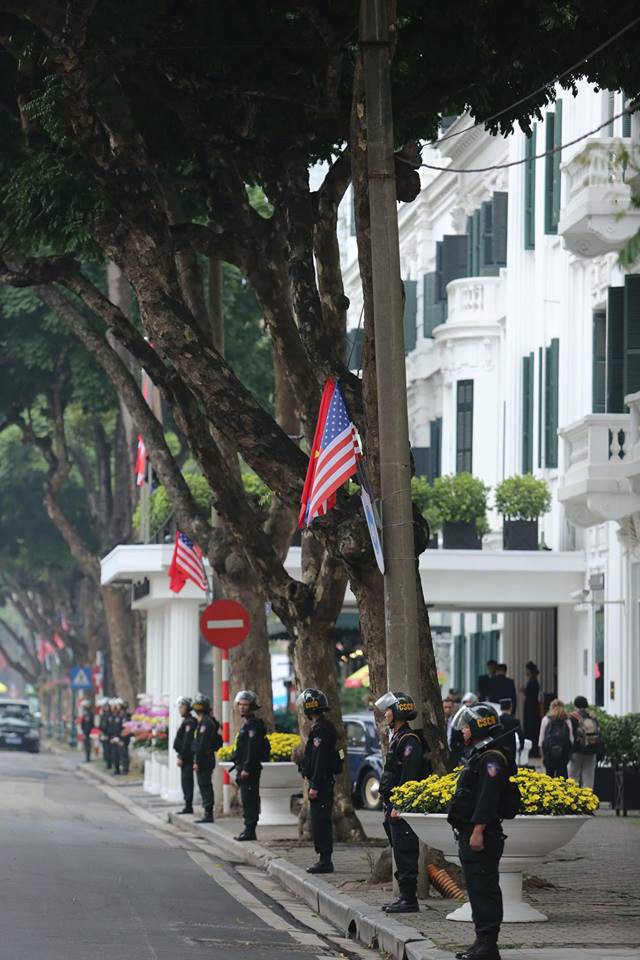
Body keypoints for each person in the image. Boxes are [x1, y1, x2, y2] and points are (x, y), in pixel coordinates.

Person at [448, 703, 513, 960]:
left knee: (485, 889)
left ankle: (488, 945)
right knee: (476, 888)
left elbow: (487, 798)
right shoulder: (480, 754)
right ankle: (481, 942)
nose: (462, 730)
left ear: (477, 727)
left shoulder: (491, 759)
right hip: (471, 832)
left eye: (466, 726)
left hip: (483, 835)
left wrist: (478, 831)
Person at [376, 690, 430, 914]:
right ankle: (403, 896)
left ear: (397, 712)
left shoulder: (409, 741)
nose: (385, 715)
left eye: (388, 711)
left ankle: (409, 899)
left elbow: (408, 776)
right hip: (393, 806)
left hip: (401, 808)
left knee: (406, 852)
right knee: (399, 851)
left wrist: (400, 805)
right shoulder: (398, 737)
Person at [297, 687, 340, 875]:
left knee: (321, 822)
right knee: (319, 821)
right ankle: (323, 858)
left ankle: (325, 860)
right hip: (321, 782)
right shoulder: (322, 727)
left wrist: (314, 785)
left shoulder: (321, 730)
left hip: (320, 784)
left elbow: (320, 760)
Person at [232, 690, 267, 841]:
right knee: (246, 799)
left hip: (250, 770)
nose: (242, 707)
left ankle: (250, 830)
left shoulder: (253, 725)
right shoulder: (247, 724)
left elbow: (251, 749)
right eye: (240, 704)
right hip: (244, 768)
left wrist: (246, 768)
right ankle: (248, 829)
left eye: (245, 705)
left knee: (250, 799)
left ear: (252, 706)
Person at [192, 693, 221, 823]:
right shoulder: (207, 721)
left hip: (205, 759)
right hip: (206, 758)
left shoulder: (206, 723)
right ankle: (207, 812)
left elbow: (202, 745)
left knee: (205, 785)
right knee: (204, 784)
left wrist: (197, 761)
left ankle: (208, 813)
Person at [568, 696, 601, 790]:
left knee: (573, 777)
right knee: (589, 778)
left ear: (575, 705)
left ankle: (573, 800)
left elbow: (569, 735)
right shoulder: (592, 717)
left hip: (576, 751)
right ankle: (587, 801)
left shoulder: (572, 717)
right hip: (591, 750)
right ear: (587, 705)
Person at [173, 696, 196, 815]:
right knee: (185, 781)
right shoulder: (186, 722)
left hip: (187, 758)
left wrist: (181, 756)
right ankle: (187, 805)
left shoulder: (190, 723)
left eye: (182, 707)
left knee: (187, 781)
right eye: (179, 707)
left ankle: (188, 805)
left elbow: (187, 742)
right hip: (184, 756)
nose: (180, 709)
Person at [539, 699, 573, 778]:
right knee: (562, 778)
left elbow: (541, 740)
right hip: (563, 753)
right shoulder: (567, 720)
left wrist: (542, 755)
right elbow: (571, 739)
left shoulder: (546, 719)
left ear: (551, 707)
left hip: (549, 753)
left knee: (549, 777)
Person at [521, 661, 541, 758]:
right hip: (532, 707)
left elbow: (531, 694)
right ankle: (533, 750)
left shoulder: (533, 681)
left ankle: (532, 751)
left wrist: (524, 690)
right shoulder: (533, 680)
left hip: (531, 708)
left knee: (531, 728)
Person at [498, 699, 524, 763]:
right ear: (510, 707)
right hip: (510, 748)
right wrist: (521, 746)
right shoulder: (514, 721)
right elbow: (521, 735)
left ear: (501, 708)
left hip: (499, 748)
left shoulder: (497, 720)